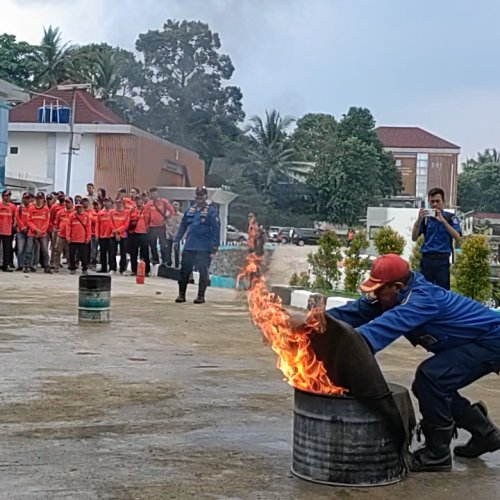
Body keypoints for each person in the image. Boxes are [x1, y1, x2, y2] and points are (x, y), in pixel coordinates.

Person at [324, 253, 500, 473]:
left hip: (492, 340)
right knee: (432, 384)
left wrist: (338, 351)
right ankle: (485, 434)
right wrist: (314, 323)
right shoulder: (392, 295)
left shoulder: (421, 301)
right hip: (476, 339)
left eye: (378, 290)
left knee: (432, 378)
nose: (374, 296)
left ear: (397, 287)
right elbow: (354, 312)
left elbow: (372, 334)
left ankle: (437, 454)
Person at [174, 186, 220, 304]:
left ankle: (200, 296)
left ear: (206, 197)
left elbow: (216, 229)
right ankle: (181, 294)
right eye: (198, 195)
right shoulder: (190, 210)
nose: (199, 197)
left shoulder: (211, 211)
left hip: (204, 248)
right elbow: (183, 226)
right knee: (184, 271)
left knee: (203, 272)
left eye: (202, 195)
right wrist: (177, 239)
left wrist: (215, 247)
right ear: (195, 196)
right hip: (190, 246)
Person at [412, 188, 461, 290]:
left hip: (442, 259)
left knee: (442, 291)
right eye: (432, 201)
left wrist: (443, 221)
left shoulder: (450, 217)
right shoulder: (426, 218)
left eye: (437, 201)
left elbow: (458, 237)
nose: (434, 204)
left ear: (443, 202)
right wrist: (419, 219)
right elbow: (414, 237)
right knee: (424, 290)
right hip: (427, 259)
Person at [145, 187, 174, 265]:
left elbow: (171, 210)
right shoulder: (149, 204)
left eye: (154, 193)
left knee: (163, 244)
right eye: (151, 194)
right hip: (152, 227)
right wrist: (147, 226)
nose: (153, 195)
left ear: (157, 193)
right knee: (152, 244)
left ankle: (164, 260)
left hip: (161, 226)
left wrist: (166, 218)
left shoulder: (164, 202)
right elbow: (146, 215)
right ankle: (155, 258)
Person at [25, 193, 52, 273]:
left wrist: (41, 231)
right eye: (37, 198)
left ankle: (46, 266)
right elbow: (28, 220)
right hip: (32, 232)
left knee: (44, 250)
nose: (39, 200)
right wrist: (35, 229)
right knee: (29, 250)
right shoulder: (31, 208)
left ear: (43, 199)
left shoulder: (46, 210)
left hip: (42, 234)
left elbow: (47, 222)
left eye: (40, 198)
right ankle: (27, 266)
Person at [66, 203, 91, 275]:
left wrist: (88, 237)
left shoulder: (86, 216)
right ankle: (72, 268)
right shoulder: (71, 216)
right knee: (71, 254)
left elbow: (88, 228)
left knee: (84, 255)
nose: (78, 209)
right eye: (77, 208)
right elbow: (68, 227)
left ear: (82, 208)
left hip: (82, 239)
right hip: (73, 239)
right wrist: (68, 237)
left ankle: (85, 268)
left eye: (80, 207)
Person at [128, 196, 150, 277]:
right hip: (134, 234)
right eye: (136, 200)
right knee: (133, 253)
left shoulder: (146, 210)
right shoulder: (132, 210)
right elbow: (128, 220)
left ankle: (146, 271)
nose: (138, 202)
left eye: (139, 200)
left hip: (144, 234)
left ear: (142, 201)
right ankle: (134, 270)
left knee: (145, 253)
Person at [53, 197, 74, 272]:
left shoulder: (74, 213)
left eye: (68, 202)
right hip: (61, 235)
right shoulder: (60, 212)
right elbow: (56, 223)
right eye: (66, 202)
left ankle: (71, 266)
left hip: (71, 236)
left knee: (69, 252)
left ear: (72, 203)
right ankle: (56, 266)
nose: (67, 204)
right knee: (57, 251)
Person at [109, 198, 130, 274]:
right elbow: (110, 223)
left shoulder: (126, 213)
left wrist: (118, 231)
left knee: (123, 253)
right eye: (117, 202)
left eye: (120, 202)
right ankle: (112, 268)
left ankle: (122, 269)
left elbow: (126, 225)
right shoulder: (111, 212)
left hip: (123, 235)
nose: (118, 204)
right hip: (113, 235)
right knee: (112, 252)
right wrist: (115, 233)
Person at [15, 193, 32, 271]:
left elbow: (32, 219)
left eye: (28, 198)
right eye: (25, 198)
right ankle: (20, 265)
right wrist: (22, 227)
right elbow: (17, 218)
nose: (27, 200)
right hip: (20, 231)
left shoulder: (32, 208)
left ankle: (28, 265)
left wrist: (28, 227)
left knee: (29, 249)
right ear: (23, 199)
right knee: (20, 249)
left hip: (30, 230)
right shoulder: (19, 208)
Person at [0, 189, 16, 272]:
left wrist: (14, 225)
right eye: (6, 195)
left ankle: (5, 265)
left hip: (8, 230)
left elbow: (15, 217)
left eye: (9, 195)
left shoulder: (12, 206)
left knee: (7, 249)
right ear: (3, 196)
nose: (8, 197)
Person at [96, 198, 113, 273]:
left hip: (111, 236)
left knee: (111, 253)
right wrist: (97, 235)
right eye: (105, 202)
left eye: (108, 202)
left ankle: (112, 268)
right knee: (103, 253)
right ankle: (103, 268)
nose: (106, 203)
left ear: (110, 203)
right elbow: (97, 225)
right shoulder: (100, 213)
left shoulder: (113, 212)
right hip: (102, 236)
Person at [165, 201, 183, 268]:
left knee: (176, 251)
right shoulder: (168, 215)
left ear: (179, 206)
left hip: (177, 236)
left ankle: (177, 265)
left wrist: (182, 236)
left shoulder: (182, 216)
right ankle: (169, 263)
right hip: (169, 235)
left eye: (177, 204)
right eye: (174, 205)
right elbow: (166, 225)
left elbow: (183, 226)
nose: (175, 206)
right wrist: (170, 233)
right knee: (168, 250)